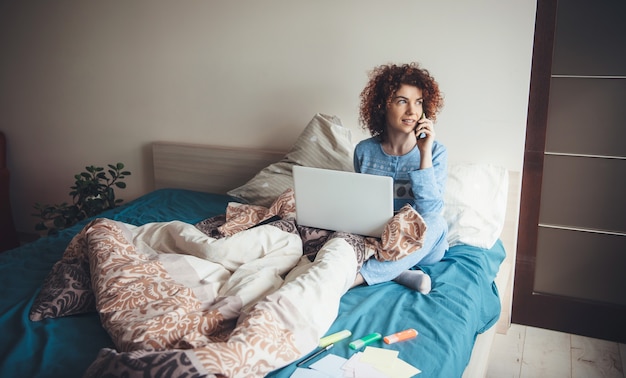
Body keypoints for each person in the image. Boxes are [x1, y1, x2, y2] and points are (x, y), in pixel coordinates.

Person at [352, 62, 448, 294]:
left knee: (438, 222)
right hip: (380, 237)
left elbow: (431, 212)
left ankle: (357, 278)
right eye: (402, 101)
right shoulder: (364, 151)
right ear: (382, 106)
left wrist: (424, 153)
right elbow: (360, 205)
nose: (412, 111)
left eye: (418, 102)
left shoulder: (435, 151)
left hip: (422, 243)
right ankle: (401, 274)